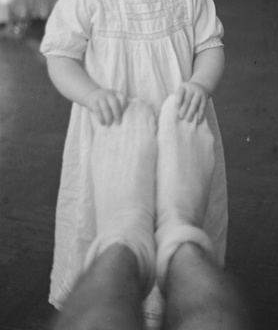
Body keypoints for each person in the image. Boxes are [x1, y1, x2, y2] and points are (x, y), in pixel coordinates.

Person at [40, 0, 228, 328]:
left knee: (173, 202)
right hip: (114, 123)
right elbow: (60, 57)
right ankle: (132, 269)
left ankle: (167, 277)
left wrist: (201, 83)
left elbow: (211, 46)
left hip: (177, 116)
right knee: (109, 208)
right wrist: (89, 93)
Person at [51, 96, 251, 330]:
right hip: (109, 99)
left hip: (158, 97)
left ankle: (127, 234)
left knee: (103, 304)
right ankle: (178, 229)